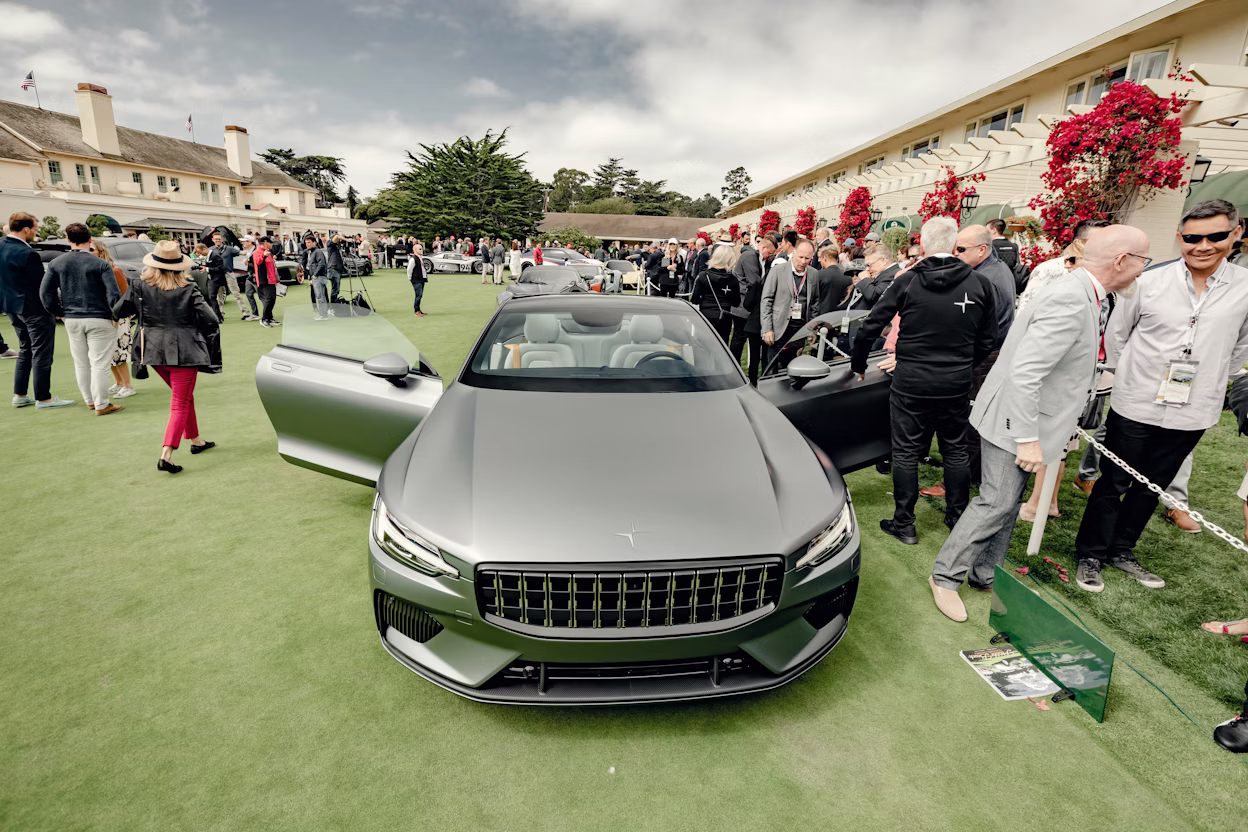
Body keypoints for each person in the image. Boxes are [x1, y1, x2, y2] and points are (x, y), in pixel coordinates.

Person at [927, 226, 1150, 620]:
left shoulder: (1086, 293)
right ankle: (944, 577)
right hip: (1019, 421)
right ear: (1121, 261)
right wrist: (1028, 439)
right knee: (996, 501)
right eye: (1142, 261)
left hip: (1031, 420)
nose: (1142, 270)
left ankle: (985, 574)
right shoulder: (1071, 297)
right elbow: (1026, 373)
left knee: (1009, 503)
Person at [1074, 199, 1248, 592]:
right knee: (1113, 481)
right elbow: (1117, 337)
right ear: (1180, 238)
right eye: (1192, 238)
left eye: (1216, 236)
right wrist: (1137, 376)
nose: (1203, 245)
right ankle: (1090, 552)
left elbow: (1240, 349)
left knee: (1153, 485)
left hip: (1194, 409)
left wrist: (1213, 377)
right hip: (1136, 402)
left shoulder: (1245, 289)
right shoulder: (1149, 282)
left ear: (1236, 234)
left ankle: (1121, 550)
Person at [849, 216, 998, 545]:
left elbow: (872, 324)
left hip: (911, 382)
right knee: (955, 450)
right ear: (954, 246)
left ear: (925, 245)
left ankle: (905, 523)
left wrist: (858, 363)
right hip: (955, 382)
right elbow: (989, 339)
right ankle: (956, 518)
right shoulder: (979, 283)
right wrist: (963, 364)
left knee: (905, 452)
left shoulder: (908, 280)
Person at [113, 241, 219, 473]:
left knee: (183, 398)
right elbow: (210, 318)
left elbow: (118, 311)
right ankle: (166, 454)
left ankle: (196, 440)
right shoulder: (189, 289)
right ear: (180, 266)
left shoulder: (139, 287)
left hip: (151, 351)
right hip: (185, 351)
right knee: (180, 402)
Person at [1018, 238, 1088, 522]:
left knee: (1052, 442)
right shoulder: (1099, 290)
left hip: (1058, 375)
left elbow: (1025, 314)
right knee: (1060, 443)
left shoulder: (1057, 278)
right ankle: (1047, 501)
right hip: (1077, 377)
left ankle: (1040, 503)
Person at [39, 222, 123, 415]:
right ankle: (101, 404)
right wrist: (116, 314)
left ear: (68, 239)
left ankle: (90, 401)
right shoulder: (101, 264)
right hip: (99, 317)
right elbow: (113, 294)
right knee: (99, 363)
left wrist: (58, 311)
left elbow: (45, 293)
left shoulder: (57, 263)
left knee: (81, 363)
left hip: (72, 317)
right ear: (90, 239)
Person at [2, 213, 74, 408]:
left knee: (25, 349)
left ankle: (20, 394)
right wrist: (56, 309)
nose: (35, 231)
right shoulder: (29, 254)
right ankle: (43, 398)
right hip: (34, 310)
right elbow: (42, 288)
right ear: (26, 229)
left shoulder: (1, 245)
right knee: (41, 353)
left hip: (11, 307)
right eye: (34, 228)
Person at [760, 240, 818, 371]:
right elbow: (766, 300)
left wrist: (813, 328)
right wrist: (767, 329)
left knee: (794, 366)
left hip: (799, 329)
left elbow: (814, 302)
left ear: (812, 258)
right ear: (794, 253)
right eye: (800, 257)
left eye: (807, 258)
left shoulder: (814, 274)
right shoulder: (777, 270)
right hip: (777, 328)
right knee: (772, 367)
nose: (803, 262)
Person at [91, 240, 136, 399]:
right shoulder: (93, 272)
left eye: (92, 250)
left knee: (119, 352)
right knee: (108, 353)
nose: (88, 252)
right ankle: (118, 383)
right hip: (102, 316)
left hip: (119, 317)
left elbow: (125, 294)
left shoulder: (114, 271)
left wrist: (120, 315)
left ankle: (127, 385)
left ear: (100, 252)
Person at [729, 233, 770, 385]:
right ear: (763, 247)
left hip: (751, 306)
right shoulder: (750, 257)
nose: (769, 257)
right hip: (743, 306)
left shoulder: (761, 259)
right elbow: (755, 281)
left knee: (744, 340)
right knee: (739, 339)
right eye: (769, 253)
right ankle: (734, 368)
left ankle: (748, 373)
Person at [691, 244, 741, 342]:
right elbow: (736, 302)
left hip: (706, 315)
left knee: (704, 346)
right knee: (721, 347)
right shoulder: (733, 279)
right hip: (724, 316)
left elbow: (694, 299)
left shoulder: (703, 276)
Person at [206, 232, 251, 321]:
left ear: (222, 240)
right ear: (213, 240)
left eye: (219, 239)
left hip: (229, 273)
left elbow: (242, 252)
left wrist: (251, 249)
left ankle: (245, 312)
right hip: (217, 275)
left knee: (236, 293)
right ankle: (221, 314)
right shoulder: (210, 250)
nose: (217, 240)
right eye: (216, 239)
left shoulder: (229, 249)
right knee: (220, 295)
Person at [815, 245, 851, 316]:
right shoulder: (848, 276)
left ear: (824, 258)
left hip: (820, 316)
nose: (819, 260)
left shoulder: (818, 275)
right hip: (839, 316)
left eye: (820, 258)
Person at [253, 237, 280, 328]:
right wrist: (263, 255)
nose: (271, 245)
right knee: (269, 299)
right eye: (270, 243)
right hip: (264, 280)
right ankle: (264, 319)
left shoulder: (268, 252)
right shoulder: (258, 251)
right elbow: (258, 262)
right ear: (265, 243)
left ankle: (269, 318)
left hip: (271, 279)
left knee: (272, 299)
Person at [303, 235, 329, 320]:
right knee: (320, 296)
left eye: (309, 242)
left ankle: (323, 315)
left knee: (320, 296)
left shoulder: (317, 252)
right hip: (316, 277)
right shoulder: (312, 252)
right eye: (306, 243)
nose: (307, 244)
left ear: (314, 242)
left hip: (319, 277)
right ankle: (322, 314)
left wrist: (315, 275)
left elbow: (321, 264)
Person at [408, 240, 428, 315]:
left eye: (421, 248)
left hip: (421, 278)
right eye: (420, 249)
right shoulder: (413, 259)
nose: (421, 250)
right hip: (416, 279)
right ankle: (416, 310)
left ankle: (418, 309)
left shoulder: (420, 258)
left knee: (420, 295)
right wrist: (410, 278)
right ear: (415, 250)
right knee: (418, 295)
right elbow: (409, 269)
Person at [326, 235, 344, 304]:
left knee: (336, 289)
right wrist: (347, 240)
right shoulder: (329, 243)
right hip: (333, 269)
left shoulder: (336, 246)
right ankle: (332, 307)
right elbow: (336, 236)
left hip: (337, 269)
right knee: (335, 289)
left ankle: (334, 306)